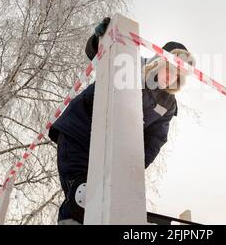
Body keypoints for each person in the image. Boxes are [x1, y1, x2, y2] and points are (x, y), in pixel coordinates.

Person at [48, 17, 196, 224]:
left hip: (111, 150)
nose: (171, 78)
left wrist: (131, 168)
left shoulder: (168, 104)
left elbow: (155, 141)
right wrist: (101, 36)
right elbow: (98, 54)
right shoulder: (132, 64)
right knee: (82, 196)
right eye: (169, 69)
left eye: (177, 76)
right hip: (80, 132)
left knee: (105, 199)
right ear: (159, 61)